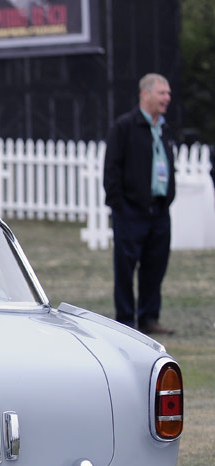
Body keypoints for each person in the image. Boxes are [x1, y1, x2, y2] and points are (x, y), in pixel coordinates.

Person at [103, 73, 176, 335]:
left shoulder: (164, 128)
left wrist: (167, 200)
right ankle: (125, 319)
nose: (167, 98)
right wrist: (119, 206)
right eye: (162, 93)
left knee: (155, 267)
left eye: (168, 93)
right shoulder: (124, 126)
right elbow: (111, 168)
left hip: (159, 211)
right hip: (130, 211)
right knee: (125, 267)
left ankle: (149, 318)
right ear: (145, 94)